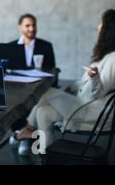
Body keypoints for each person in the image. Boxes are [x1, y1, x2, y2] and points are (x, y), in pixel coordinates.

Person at [10, 9, 115, 156]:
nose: (98, 26)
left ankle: (27, 128)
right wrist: (71, 87)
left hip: (91, 111)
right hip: (84, 103)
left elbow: (99, 91)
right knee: (43, 111)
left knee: (45, 92)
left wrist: (94, 77)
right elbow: (85, 82)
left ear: (108, 29)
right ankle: (45, 153)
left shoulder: (113, 59)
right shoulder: (105, 55)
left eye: (100, 22)